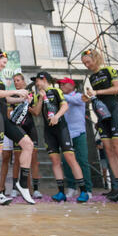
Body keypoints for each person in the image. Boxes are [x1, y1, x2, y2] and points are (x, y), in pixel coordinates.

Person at [0, 47, 35, 205]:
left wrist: (22, 99)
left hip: (3, 115)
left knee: (28, 144)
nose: (4, 66)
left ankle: (23, 183)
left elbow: (5, 100)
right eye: (3, 62)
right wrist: (15, 92)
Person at [32, 71, 89, 203]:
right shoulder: (38, 95)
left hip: (61, 129)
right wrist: (40, 98)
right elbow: (36, 112)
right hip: (48, 132)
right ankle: (61, 192)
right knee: (55, 161)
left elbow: (65, 106)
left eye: (37, 81)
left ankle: (84, 191)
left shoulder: (56, 91)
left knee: (70, 158)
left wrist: (57, 116)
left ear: (43, 79)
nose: (36, 83)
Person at [81, 49, 118, 203]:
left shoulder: (108, 70)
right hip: (102, 115)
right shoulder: (92, 77)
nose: (87, 65)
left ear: (95, 58)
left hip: (114, 109)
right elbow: (97, 96)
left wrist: (97, 91)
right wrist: (88, 98)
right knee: (108, 150)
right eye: (84, 63)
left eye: (88, 62)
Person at [57, 77, 93, 199]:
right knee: (66, 162)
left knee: (82, 161)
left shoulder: (78, 96)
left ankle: (87, 189)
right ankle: (71, 187)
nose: (61, 86)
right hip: (66, 134)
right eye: (60, 85)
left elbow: (72, 100)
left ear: (71, 86)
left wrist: (57, 94)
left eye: (63, 84)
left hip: (79, 133)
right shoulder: (62, 99)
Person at [9, 73, 42, 199]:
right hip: (18, 129)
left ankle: (36, 189)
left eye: (18, 80)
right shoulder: (13, 96)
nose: (16, 83)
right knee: (17, 159)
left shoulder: (31, 94)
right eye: (14, 81)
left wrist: (26, 104)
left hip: (30, 128)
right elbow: (9, 115)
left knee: (33, 159)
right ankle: (16, 188)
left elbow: (36, 112)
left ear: (23, 82)